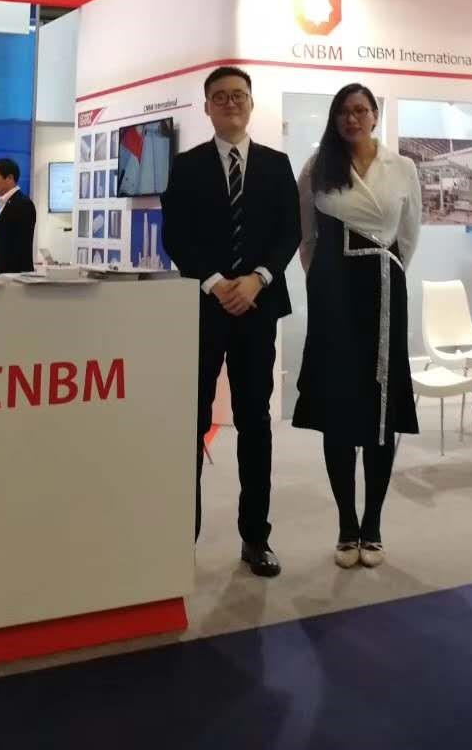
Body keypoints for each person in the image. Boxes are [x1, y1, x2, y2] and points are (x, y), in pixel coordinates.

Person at [160, 67, 300, 578]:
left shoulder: (277, 165)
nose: (230, 103)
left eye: (238, 95)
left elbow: (289, 232)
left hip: (258, 308)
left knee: (255, 421)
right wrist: (217, 282)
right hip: (204, 307)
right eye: (220, 97)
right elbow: (176, 236)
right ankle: (183, 538)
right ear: (207, 107)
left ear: (250, 103)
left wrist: (258, 279)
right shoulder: (187, 166)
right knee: (193, 420)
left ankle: (255, 537)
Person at [293, 83, 421, 569]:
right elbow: (306, 235)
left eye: (361, 110)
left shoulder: (401, 167)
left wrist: (387, 270)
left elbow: (408, 233)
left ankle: (374, 525)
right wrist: (323, 281)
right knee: (338, 407)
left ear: (374, 116)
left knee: (380, 409)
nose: (353, 118)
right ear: (335, 117)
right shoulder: (317, 165)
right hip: (333, 294)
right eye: (344, 111)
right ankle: (347, 525)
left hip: (384, 291)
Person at [0, 158, 36, 275]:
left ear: (10, 178)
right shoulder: (4, 203)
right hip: (1, 276)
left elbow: (19, 247)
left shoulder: (23, 204)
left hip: (13, 278)